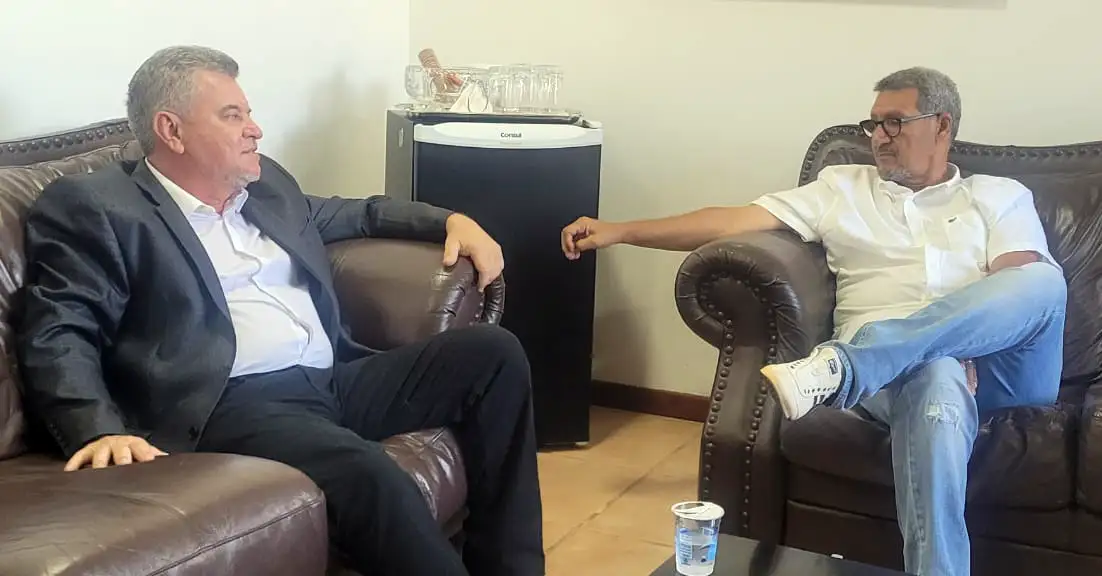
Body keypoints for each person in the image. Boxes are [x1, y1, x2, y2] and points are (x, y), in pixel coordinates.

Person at [16, 45, 544, 576]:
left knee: (493, 355)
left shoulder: (266, 185)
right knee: (370, 474)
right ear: (171, 131)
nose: (255, 129)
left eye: (248, 113)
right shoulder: (100, 206)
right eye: (232, 116)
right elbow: (60, 326)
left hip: (331, 380)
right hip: (230, 402)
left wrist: (450, 220)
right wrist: (95, 429)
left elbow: (357, 214)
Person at [560, 66, 1065, 576]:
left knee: (1042, 280)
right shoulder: (843, 188)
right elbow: (732, 221)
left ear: (942, 126)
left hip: (1000, 369)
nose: (879, 137)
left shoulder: (999, 194)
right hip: (906, 381)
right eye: (873, 124)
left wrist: (958, 343)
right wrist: (620, 230)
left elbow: (1016, 286)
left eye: (895, 122)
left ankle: (846, 364)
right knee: (935, 374)